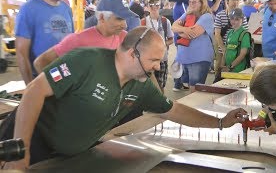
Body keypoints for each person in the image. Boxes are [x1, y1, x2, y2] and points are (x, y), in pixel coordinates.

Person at [1, 27, 247, 170]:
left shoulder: (141, 86)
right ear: (132, 53)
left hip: (66, 155)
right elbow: (33, 92)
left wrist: (220, 123)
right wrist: (20, 152)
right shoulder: (84, 61)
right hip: (28, 140)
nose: (154, 68)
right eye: (152, 61)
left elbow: (174, 110)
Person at [33, 0, 132, 73]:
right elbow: (41, 62)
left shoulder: (124, 37)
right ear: (102, 17)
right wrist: (57, 87)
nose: (125, 25)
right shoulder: (78, 39)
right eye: (119, 19)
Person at [15, 0, 74, 85]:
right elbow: (21, 53)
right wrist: (31, 86)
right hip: (41, 77)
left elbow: (70, 43)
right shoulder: (29, 8)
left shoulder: (66, 9)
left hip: (64, 76)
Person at [172, 0, 214, 93]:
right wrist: (185, 30)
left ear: (202, 3)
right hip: (186, 58)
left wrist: (180, 31)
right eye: (190, 2)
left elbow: (192, 34)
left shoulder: (207, 17)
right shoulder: (187, 14)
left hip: (199, 60)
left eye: (194, 2)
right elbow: (173, 27)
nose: (191, 4)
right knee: (191, 91)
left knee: (194, 91)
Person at [141, 0, 174, 93]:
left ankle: (161, 106)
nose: (154, 7)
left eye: (157, 4)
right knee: (147, 84)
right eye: (151, 5)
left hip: (162, 58)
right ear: (147, 7)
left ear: (160, 6)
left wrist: (162, 44)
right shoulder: (143, 22)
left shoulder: (165, 21)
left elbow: (171, 39)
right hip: (147, 59)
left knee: (161, 84)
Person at [214, 0, 248, 74]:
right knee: (219, 71)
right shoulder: (220, 15)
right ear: (227, 0)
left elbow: (245, 33)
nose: (236, 2)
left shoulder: (242, 16)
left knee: (236, 71)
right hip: (222, 49)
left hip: (236, 50)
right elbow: (217, 34)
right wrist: (224, 49)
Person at [220, 8, 250, 73]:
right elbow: (225, 51)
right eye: (232, 19)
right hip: (227, 69)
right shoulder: (230, 32)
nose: (233, 21)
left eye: (237, 19)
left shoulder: (244, 34)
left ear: (242, 20)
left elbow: (242, 54)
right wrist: (222, 65)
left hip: (238, 70)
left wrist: (230, 66)